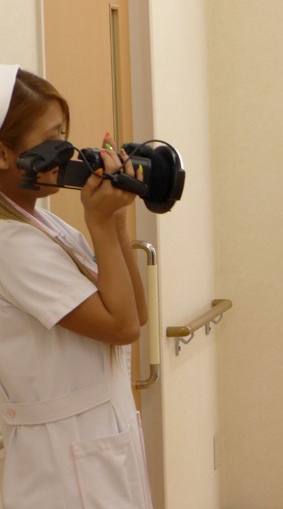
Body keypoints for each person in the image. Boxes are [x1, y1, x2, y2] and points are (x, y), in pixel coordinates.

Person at [0, 65, 151, 508]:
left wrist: (116, 222)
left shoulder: (46, 225)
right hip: (60, 458)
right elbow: (122, 327)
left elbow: (137, 312)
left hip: (96, 434)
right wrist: (99, 223)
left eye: (65, 135)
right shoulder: (11, 245)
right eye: (52, 139)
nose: (66, 152)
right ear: (4, 155)